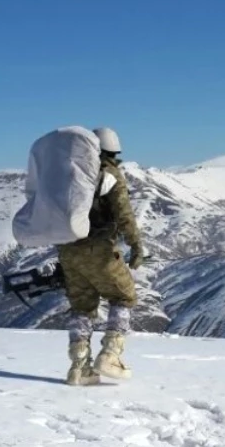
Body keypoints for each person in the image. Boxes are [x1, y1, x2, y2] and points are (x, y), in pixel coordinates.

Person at [56, 127, 146, 386]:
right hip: (98, 249)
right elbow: (124, 214)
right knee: (123, 296)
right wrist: (136, 245)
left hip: (68, 251)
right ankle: (111, 354)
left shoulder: (68, 174)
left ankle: (79, 368)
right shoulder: (108, 174)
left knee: (82, 308)